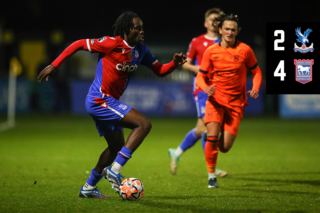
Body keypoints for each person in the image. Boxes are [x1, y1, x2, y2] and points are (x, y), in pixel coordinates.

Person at [37, 11, 187, 198]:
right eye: (137, 28)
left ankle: (89, 187)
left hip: (109, 102)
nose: (142, 32)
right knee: (144, 124)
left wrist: (173, 63)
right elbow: (78, 44)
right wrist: (54, 64)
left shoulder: (142, 50)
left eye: (142, 28)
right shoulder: (111, 43)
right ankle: (115, 170)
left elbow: (160, 71)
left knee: (116, 147)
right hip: (99, 99)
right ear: (126, 29)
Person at [196, 14, 262, 188]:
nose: (230, 32)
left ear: (237, 31)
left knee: (224, 147)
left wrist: (255, 88)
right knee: (212, 137)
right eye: (226, 29)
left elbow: (257, 72)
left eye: (233, 29)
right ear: (220, 30)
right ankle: (211, 178)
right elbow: (200, 76)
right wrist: (205, 88)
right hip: (215, 101)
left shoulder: (245, 50)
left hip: (236, 104)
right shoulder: (211, 51)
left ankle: (212, 138)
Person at [168, 8, 227, 178]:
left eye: (218, 20)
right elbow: (185, 63)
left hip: (220, 88)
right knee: (207, 128)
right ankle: (212, 169)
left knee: (204, 128)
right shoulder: (197, 42)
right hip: (202, 88)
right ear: (206, 23)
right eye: (212, 19)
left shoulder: (226, 41)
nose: (215, 22)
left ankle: (177, 152)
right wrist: (200, 69)